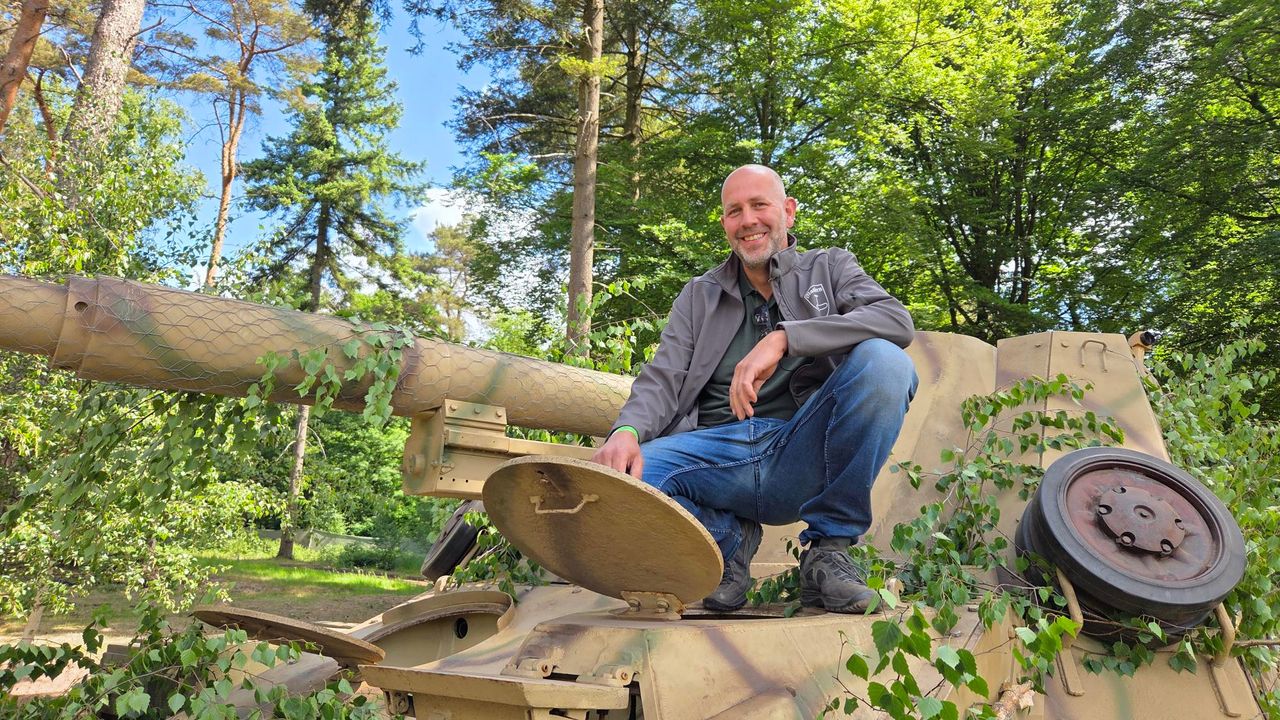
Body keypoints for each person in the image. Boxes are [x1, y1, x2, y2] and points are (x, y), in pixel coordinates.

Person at [591, 164, 918, 613]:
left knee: (885, 363)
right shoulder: (698, 296)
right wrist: (625, 431)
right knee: (623, 481)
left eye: (759, 205)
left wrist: (786, 337)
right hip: (715, 456)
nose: (748, 220)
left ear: (788, 211)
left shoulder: (830, 268)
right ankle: (726, 542)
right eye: (734, 211)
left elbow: (895, 321)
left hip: (800, 448)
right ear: (725, 223)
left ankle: (829, 552)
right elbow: (663, 377)